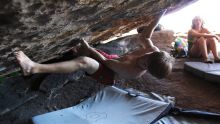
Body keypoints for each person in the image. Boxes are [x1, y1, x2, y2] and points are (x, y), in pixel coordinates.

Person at [14, 11, 173, 85]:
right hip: (114, 61)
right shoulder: (154, 53)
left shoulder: (132, 72)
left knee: (84, 61)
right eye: (147, 57)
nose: (143, 59)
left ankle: (33, 68)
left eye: (145, 64)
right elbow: (145, 37)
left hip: (109, 74)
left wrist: (89, 47)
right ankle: (73, 55)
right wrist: (160, 15)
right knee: (80, 52)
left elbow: (105, 62)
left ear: (148, 70)